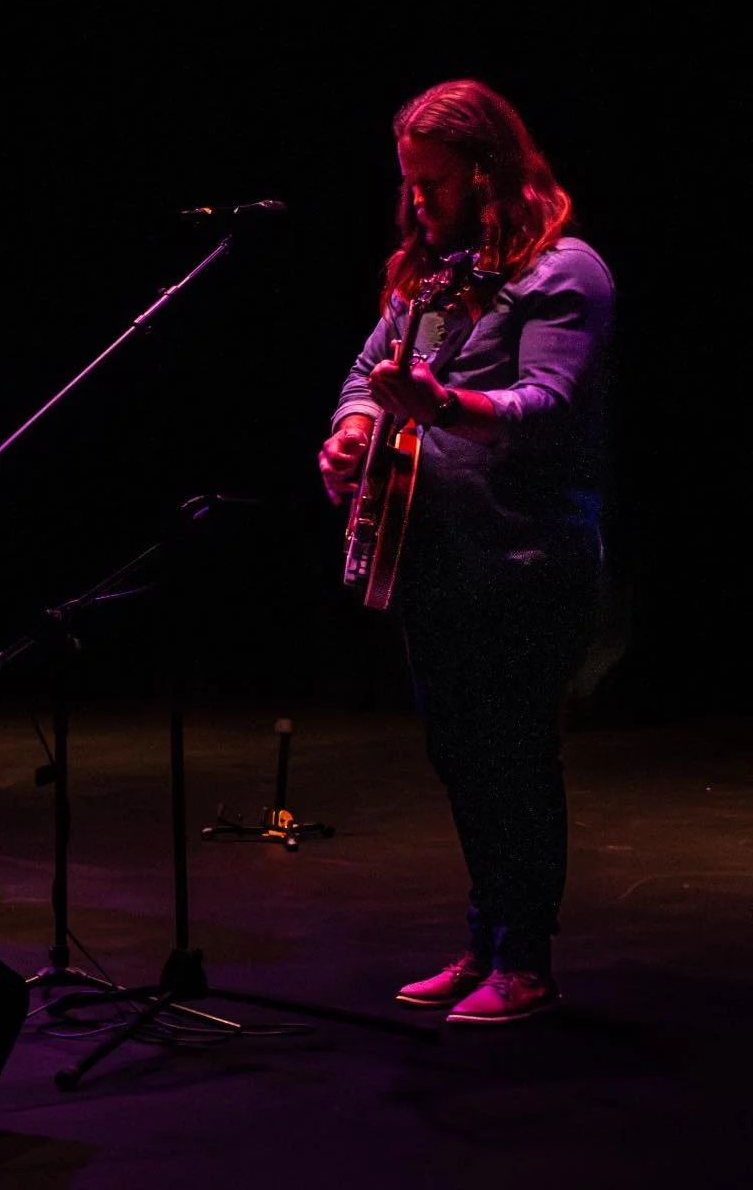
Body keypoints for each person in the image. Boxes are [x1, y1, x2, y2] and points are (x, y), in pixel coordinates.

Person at [319, 80, 614, 1024]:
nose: (418, 202)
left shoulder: (566, 274)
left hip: (527, 563)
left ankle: (525, 962)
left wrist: (442, 406)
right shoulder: (433, 277)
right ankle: (488, 939)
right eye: (410, 184)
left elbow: (547, 409)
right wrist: (352, 429)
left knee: (515, 760)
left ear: (490, 174)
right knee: (462, 758)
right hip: (435, 560)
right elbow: (365, 376)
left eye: (435, 183)